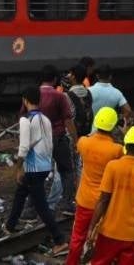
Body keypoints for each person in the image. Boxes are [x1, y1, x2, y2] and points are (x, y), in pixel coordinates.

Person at [4, 87, 67, 255]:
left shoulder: (25, 120)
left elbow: (24, 147)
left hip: (32, 169)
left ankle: (60, 240)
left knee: (41, 206)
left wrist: (18, 168)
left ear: (25, 100)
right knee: (21, 193)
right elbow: (49, 143)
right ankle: (10, 226)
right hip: (44, 166)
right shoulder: (45, 119)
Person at [86, 126, 134, 264]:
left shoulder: (113, 166)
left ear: (126, 145)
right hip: (133, 233)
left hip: (110, 230)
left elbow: (103, 200)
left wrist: (91, 227)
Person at [66, 107, 124, 265]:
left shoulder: (83, 142)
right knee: (101, 239)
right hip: (105, 203)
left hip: (84, 199)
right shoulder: (117, 150)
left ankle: (71, 262)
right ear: (113, 126)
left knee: (77, 237)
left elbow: (80, 149)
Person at [38, 65, 77, 213]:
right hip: (58, 137)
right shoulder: (59, 96)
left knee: (37, 173)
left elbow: (24, 117)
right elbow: (68, 120)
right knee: (66, 171)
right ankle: (67, 203)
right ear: (55, 79)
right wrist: (76, 139)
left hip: (39, 140)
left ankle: (32, 208)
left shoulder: (33, 95)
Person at [89, 65, 132, 132]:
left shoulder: (89, 91)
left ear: (97, 76)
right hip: (109, 131)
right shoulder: (117, 93)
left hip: (91, 131)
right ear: (110, 76)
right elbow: (128, 110)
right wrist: (116, 119)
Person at [64, 64, 94, 139]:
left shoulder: (67, 96)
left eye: (70, 73)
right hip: (86, 135)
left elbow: (67, 119)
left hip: (72, 136)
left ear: (73, 76)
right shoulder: (89, 93)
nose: (68, 75)